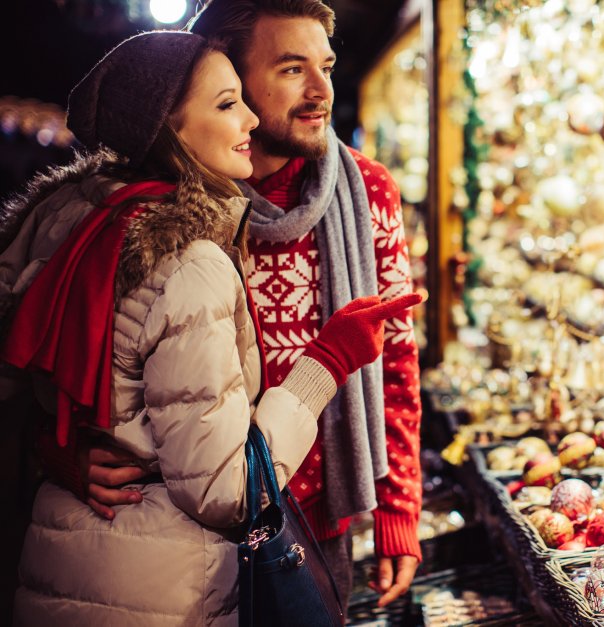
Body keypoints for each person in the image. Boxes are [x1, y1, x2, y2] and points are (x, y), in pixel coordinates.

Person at [0, 30, 419, 625]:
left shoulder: (73, 217)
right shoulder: (189, 254)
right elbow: (228, 490)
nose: (320, 89)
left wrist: (58, 442)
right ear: (165, 125)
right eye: (230, 101)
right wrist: (325, 363)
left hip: (68, 563)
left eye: (326, 64)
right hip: (177, 574)